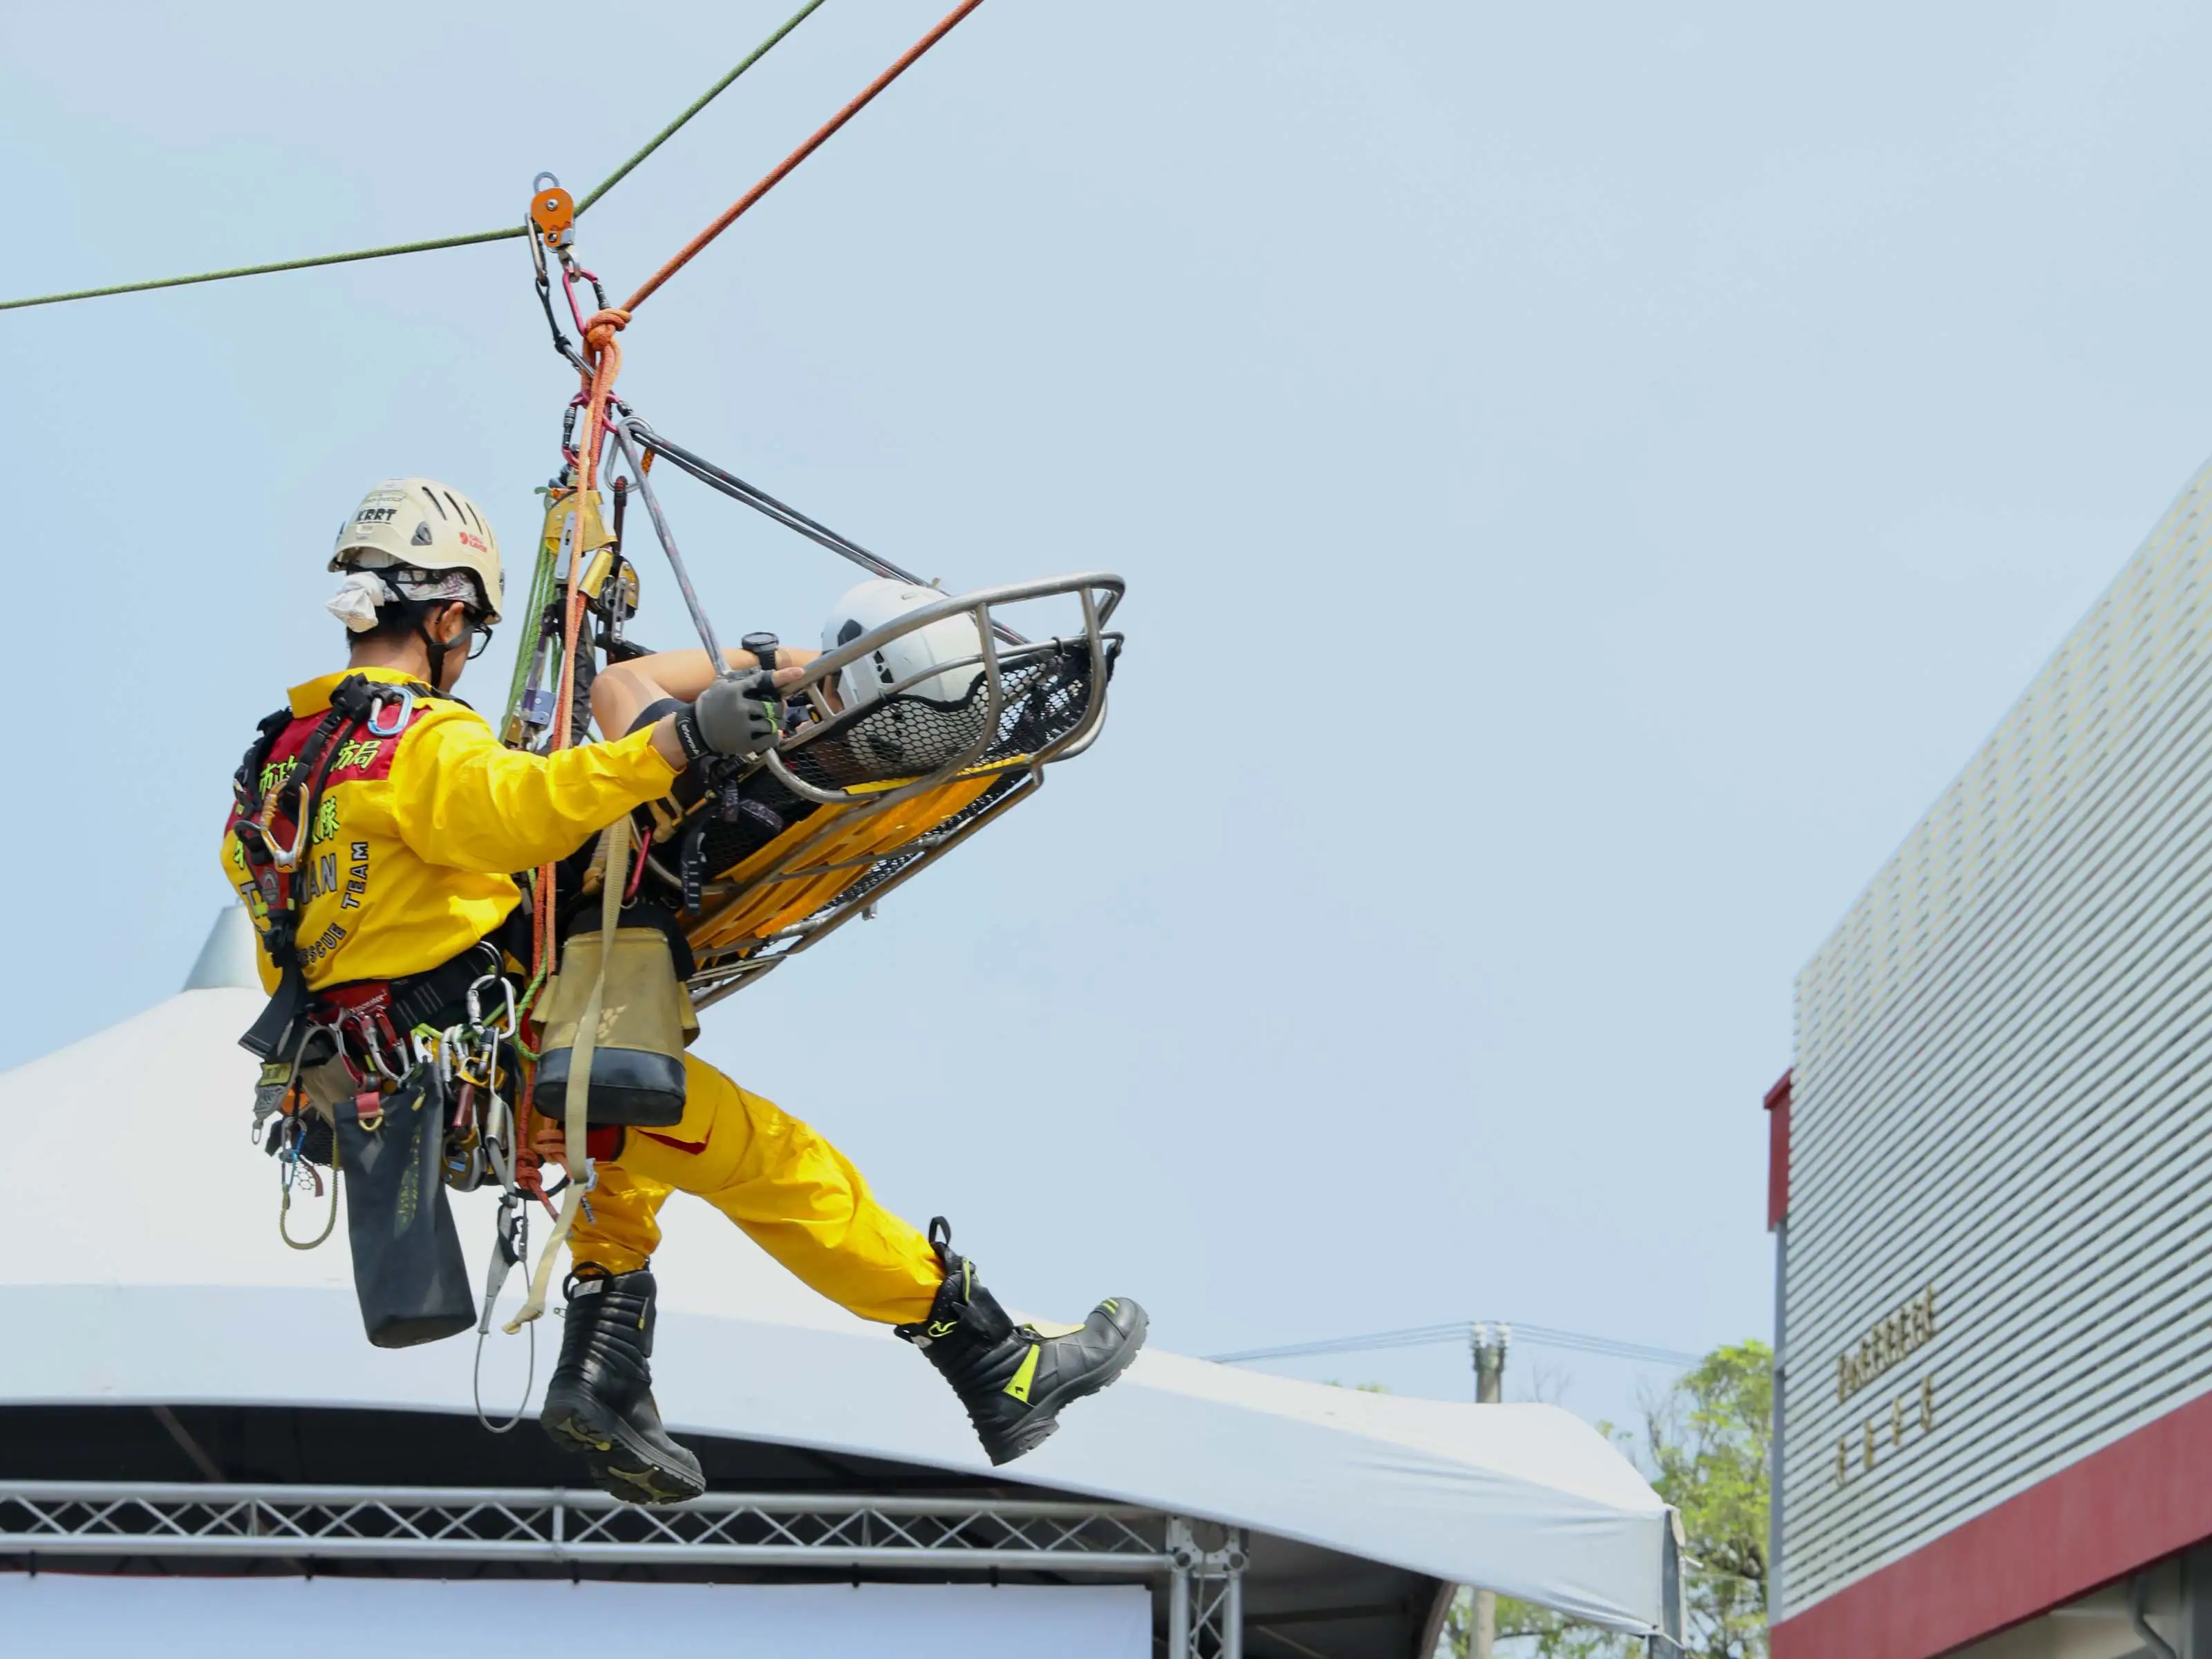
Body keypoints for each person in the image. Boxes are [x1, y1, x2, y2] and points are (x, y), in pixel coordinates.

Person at [221, 478, 1147, 1506]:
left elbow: (308, 942)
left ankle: (607, 1371)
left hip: (385, 1087)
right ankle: (993, 1357)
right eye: (468, 634)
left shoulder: (277, 767)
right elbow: (524, 810)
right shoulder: (419, 743)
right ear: (445, 618)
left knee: (626, 1070)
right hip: (502, 1069)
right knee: (778, 1164)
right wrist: (680, 742)